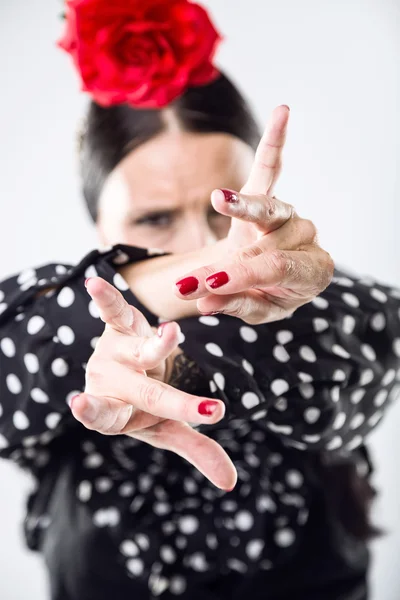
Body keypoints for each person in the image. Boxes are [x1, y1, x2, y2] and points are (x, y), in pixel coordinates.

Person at [0, 1, 399, 599]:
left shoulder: (334, 313)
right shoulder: (50, 325)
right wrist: (140, 309)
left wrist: (177, 361)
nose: (201, 247)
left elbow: (375, 337)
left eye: (224, 208)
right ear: (99, 228)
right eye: (154, 219)